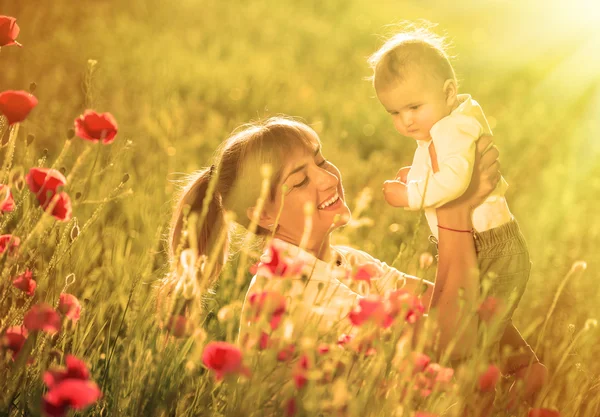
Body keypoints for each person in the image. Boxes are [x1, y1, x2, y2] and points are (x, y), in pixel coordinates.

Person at [165, 116, 545, 403]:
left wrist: (523, 364)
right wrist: (454, 212)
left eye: (321, 160)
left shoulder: (345, 261)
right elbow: (451, 340)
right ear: (264, 215)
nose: (328, 179)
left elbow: (454, 302)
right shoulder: (290, 290)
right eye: (299, 181)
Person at [368, 26, 532, 360]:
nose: (406, 122)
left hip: (492, 248)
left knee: (469, 343)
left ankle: (515, 377)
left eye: (413, 107)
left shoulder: (452, 128)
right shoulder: (443, 122)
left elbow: (456, 181)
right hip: (481, 242)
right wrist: (416, 176)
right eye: (395, 113)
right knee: (482, 325)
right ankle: (526, 370)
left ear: (448, 92)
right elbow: (442, 167)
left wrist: (411, 195)